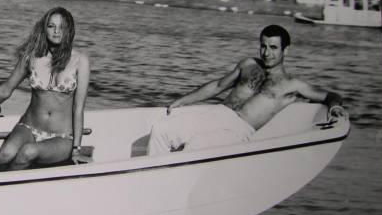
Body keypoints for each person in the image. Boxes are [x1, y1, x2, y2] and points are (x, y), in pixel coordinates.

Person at [146, 24, 347, 155]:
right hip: (217, 113)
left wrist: (335, 108)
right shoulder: (248, 64)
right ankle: (153, 184)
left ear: (285, 50)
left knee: (196, 147)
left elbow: (331, 95)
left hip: (238, 129)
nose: (267, 53)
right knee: (161, 130)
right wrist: (182, 100)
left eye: (273, 48)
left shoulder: (292, 85)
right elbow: (218, 86)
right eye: (263, 46)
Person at [0, 7, 90, 171]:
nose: (56, 31)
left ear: (69, 30)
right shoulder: (31, 57)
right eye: (51, 26)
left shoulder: (80, 61)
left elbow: (78, 108)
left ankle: (3, 193)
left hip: (62, 136)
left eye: (62, 27)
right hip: (29, 127)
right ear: (44, 28)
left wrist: (76, 149)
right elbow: (5, 89)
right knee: (4, 155)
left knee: (27, 152)